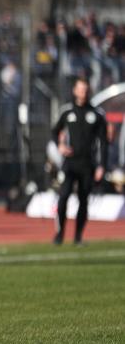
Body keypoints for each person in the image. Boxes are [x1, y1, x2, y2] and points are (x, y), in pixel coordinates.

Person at [51, 77, 108, 245]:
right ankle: (60, 234)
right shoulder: (67, 112)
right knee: (64, 197)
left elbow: (104, 143)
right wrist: (60, 146)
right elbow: (55, 132)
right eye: (80, 89)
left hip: (88, 164)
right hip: (70, 162)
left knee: (84, 200)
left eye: (85, 89)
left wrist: (101, 166)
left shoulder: (97, 114)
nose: (83, 92)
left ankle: (78, 236)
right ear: (74, 91)